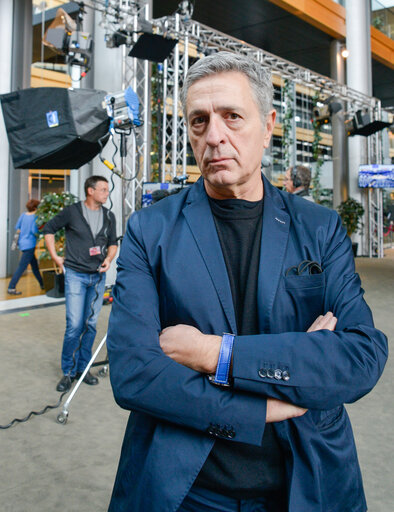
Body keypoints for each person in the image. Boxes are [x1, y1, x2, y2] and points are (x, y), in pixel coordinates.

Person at [106, 52, 387, 512]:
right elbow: (135, 375)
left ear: (269, 124)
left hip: (306, 482)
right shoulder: (149, 231)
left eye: (232, 117)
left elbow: (360, 356)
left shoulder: (320, 228)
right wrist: (268, 407)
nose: (214, 136)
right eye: (199, 121)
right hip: (188, 489)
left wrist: (214, 353)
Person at [44, 176, 117, 393]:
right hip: (75, 275)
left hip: (97, 276)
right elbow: (49, 229)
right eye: (103, 189)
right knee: (75, 325)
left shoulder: (109, 216)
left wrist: (109, 259)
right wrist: (56, 257)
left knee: (90, 325)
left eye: (107, 190)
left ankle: (83, 369)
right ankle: (68, 371)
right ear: (90, 191)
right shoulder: (72, 212)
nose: (107, 193)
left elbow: (113, 243)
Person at [8, 199, 44, 295]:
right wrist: (41, 232)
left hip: (22, 243)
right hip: (30, 244)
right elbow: (34, 231)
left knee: (34, 266)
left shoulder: (23, 215)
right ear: (36, 208)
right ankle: (11, 287)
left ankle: (42, 284)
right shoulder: (35, 217)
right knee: (21, 267)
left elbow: (17, 227)